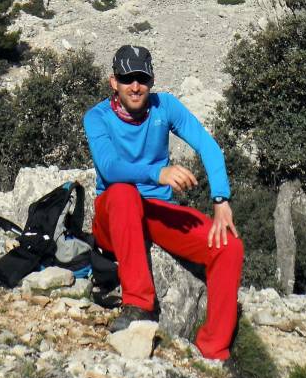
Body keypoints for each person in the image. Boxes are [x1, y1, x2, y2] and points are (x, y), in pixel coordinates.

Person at [83, 44, 243, 361]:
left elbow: (208, 146)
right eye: (127, 79)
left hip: (156, 211)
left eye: (142, 79)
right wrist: (157, 173)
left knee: (228, 246)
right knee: (124, 192)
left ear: (152, 81)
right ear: (113, 82)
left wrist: (221, 199)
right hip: (114, 214)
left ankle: (214, 349)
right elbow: (110, 167)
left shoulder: (164, 106)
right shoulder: (97, 117)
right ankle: (138, 304)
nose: (135, 86)